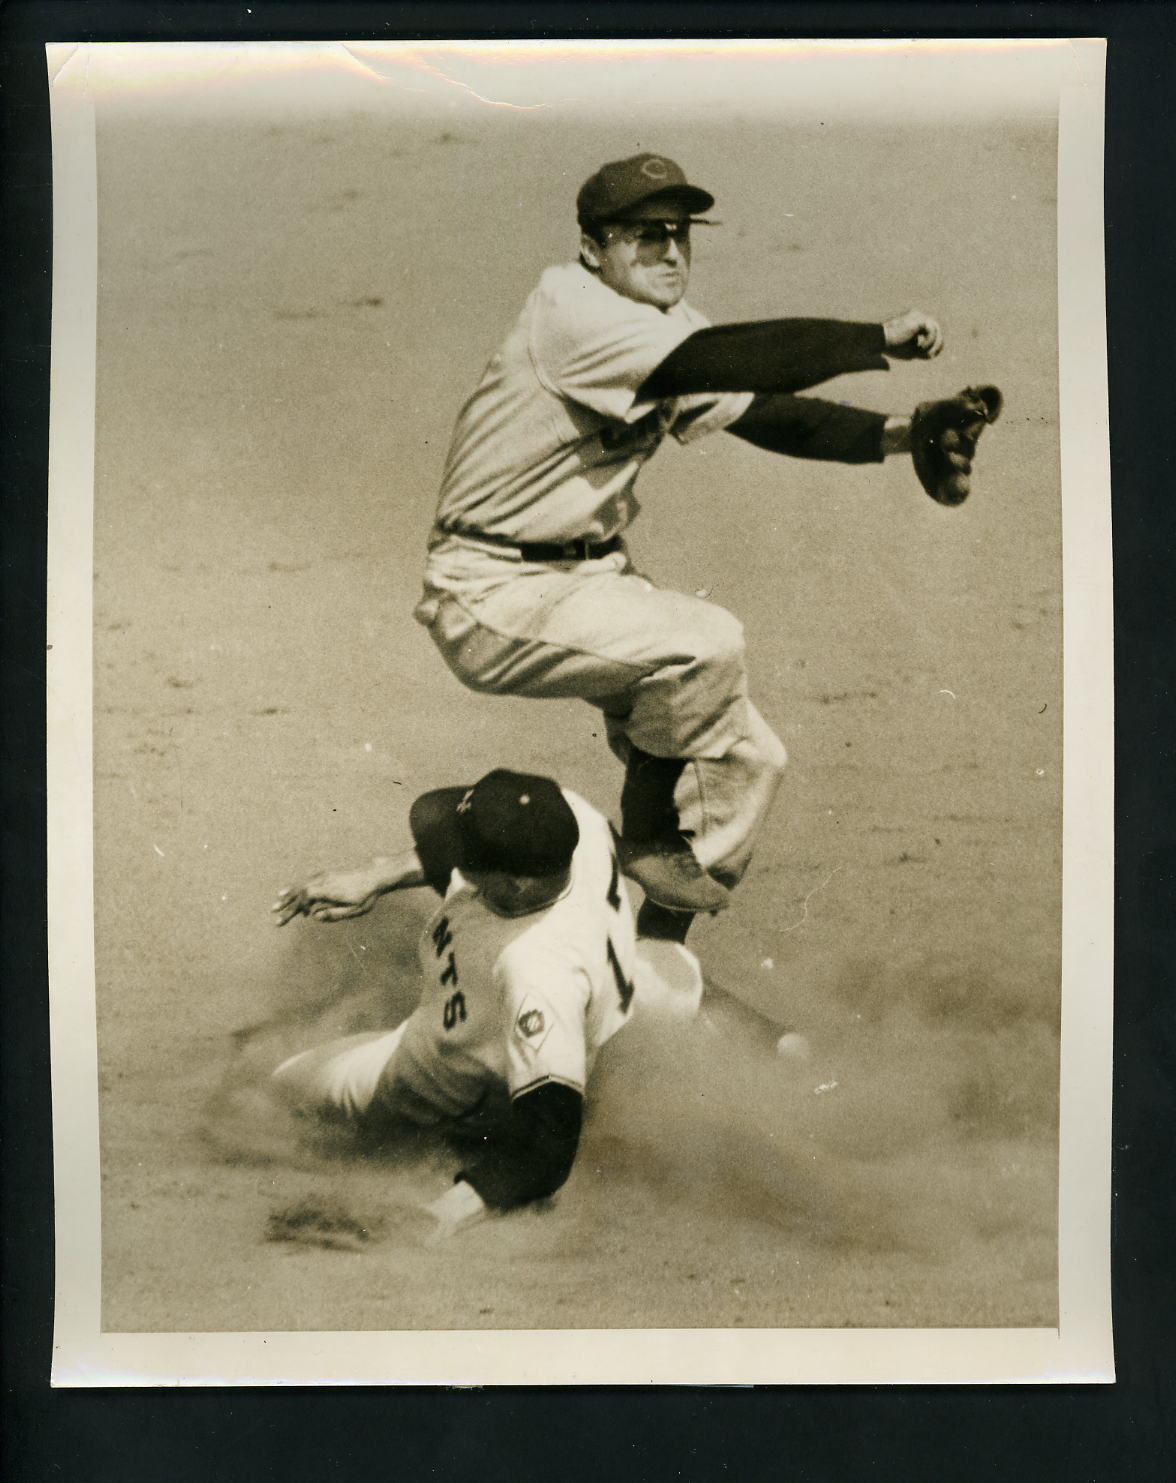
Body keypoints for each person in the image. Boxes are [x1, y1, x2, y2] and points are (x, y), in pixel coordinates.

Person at [413, 152, 952, 943]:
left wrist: (900, 435)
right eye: (643, 236)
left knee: (751, 757)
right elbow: (725, 359)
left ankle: (660, 945)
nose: (669, 252)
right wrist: (874, 339)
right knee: (707, 643)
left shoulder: (662, 328)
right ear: (594, 247)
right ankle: (649, 832)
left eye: (678, 234)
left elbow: (761, 408)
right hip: (489, 590)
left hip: (587, 579)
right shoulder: (574, 312)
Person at [270, 767, 698, 1241]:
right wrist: (376, 876)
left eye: (468, 854)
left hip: (436, 1084)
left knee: (275, 1092)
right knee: (673, 978)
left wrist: (442, 1213)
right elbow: (459, 856)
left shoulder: (535, 971)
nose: (454, 855)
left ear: (516, 884)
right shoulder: (574, 820)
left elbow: (548, 1150)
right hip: (591, 1008)